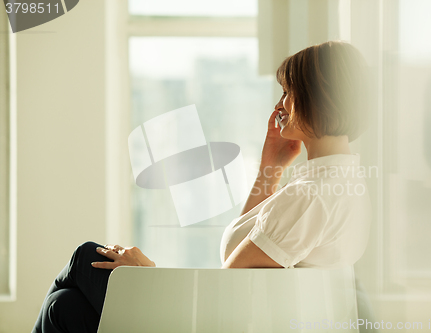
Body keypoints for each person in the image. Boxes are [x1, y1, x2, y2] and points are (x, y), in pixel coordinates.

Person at [32, 40, 372, 332]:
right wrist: (271, 167)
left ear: (318, 97)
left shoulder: (313, 195)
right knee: (62, 308)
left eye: (288, 92)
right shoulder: (336, 183)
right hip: (228, 318)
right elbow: (245, 255)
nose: (278, 105)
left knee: (83, 257)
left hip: (210, 323)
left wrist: (146, 274)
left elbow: (225, 296)